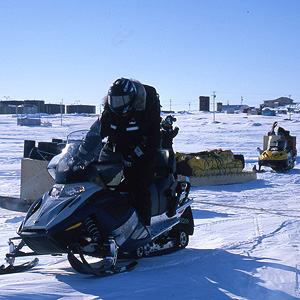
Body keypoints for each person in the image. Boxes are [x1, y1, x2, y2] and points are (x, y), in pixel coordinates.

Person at [76, 78, 161, 225]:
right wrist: (80, 154)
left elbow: (153, 139)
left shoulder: (145, 113)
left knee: (138, 187)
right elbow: (94, 134)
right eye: (114, 100)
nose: (118, 104)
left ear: (132, 99)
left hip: (141, 155)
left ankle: (143, 228)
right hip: (114, 152)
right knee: (96, 183)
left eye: (122, 100)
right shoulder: (109, 113)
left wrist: (136, 155)